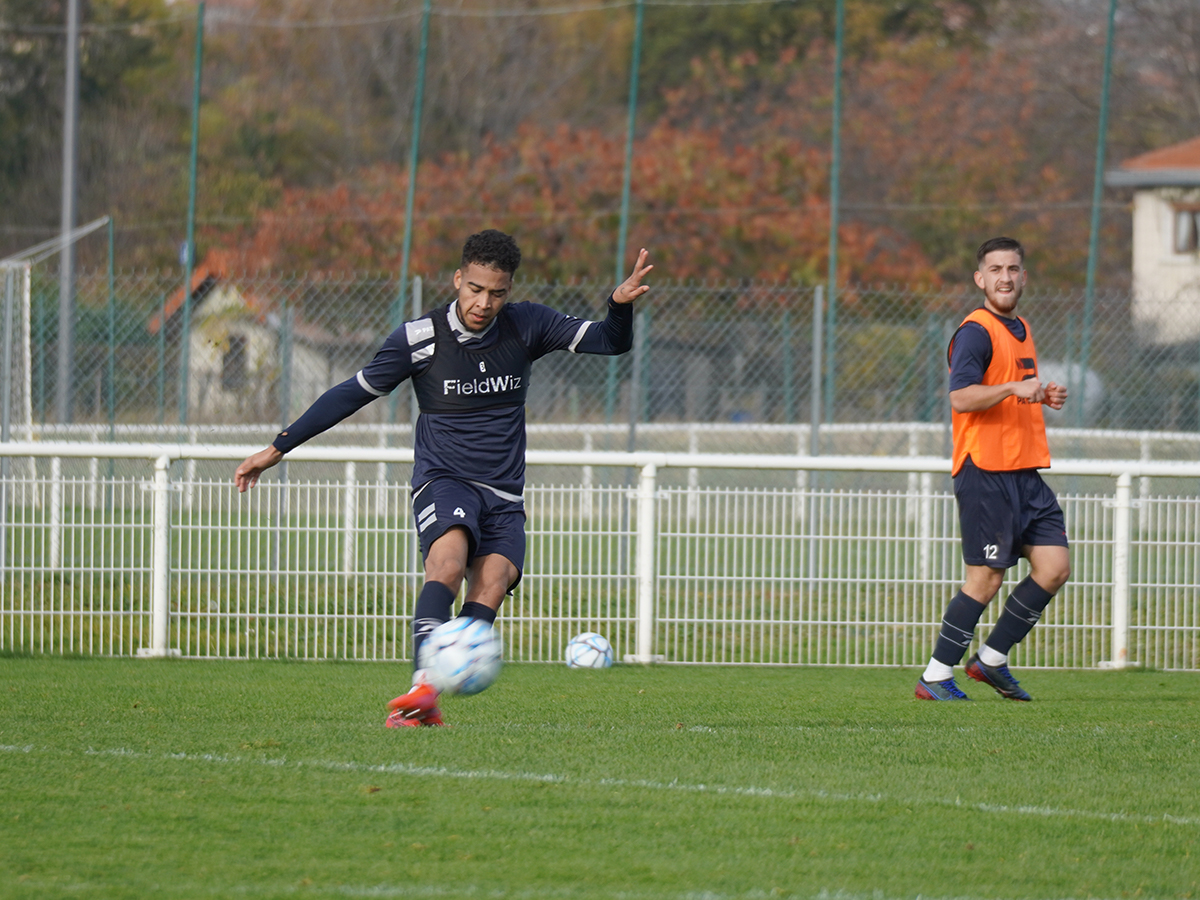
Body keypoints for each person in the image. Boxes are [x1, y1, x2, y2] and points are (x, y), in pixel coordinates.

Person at [235, 229, 652, 725]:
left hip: (504, 492)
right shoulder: (419, 339)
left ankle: (442, 682)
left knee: (494, 580)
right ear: (458, 279)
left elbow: (610, 343)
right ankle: (421, 688)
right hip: (444, 477)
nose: (484, 302)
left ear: (509, 291)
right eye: (475, 288)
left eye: (497, 293)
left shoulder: (527, 325)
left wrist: (618, 305)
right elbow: (351, 392)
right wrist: (278, 447)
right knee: (449, 565)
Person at [915, 236, 1070, 701]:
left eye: (1013, 269)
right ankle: (937, 675)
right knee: (985, 578)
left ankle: (992, 660)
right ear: (980, 279)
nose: (1005, 277)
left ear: (1024, 277)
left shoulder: (1020, 326)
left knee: (1054, 566)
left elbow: (1015, 389)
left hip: (1024, 473)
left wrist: (1041, 395)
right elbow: (961, 397)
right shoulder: (975, 331)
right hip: (985, 471)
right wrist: (1010, 388)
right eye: (996, 269)